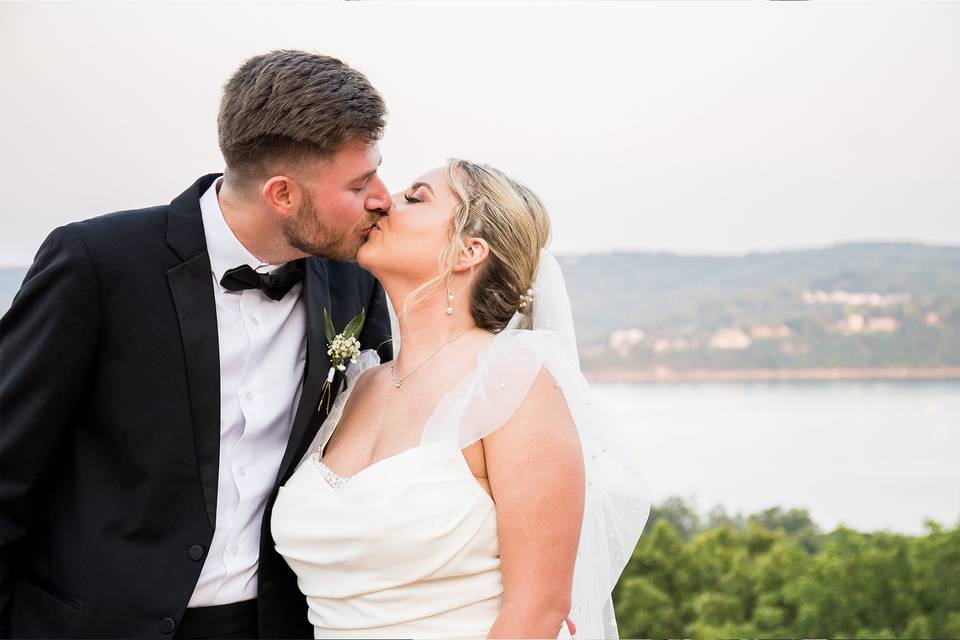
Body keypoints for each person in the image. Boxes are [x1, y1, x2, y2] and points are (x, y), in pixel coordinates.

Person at [0, 50, 393, 638]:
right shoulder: (98, 263)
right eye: (360, 183)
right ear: (282, 194)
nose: (382, 197)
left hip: (272, 624)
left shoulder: (354, 279)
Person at [272, 159, 650, 638]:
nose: (384, 201)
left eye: (416, 197)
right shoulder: (359, 384)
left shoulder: (511, 380)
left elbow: (537, 611)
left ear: (467, 251)